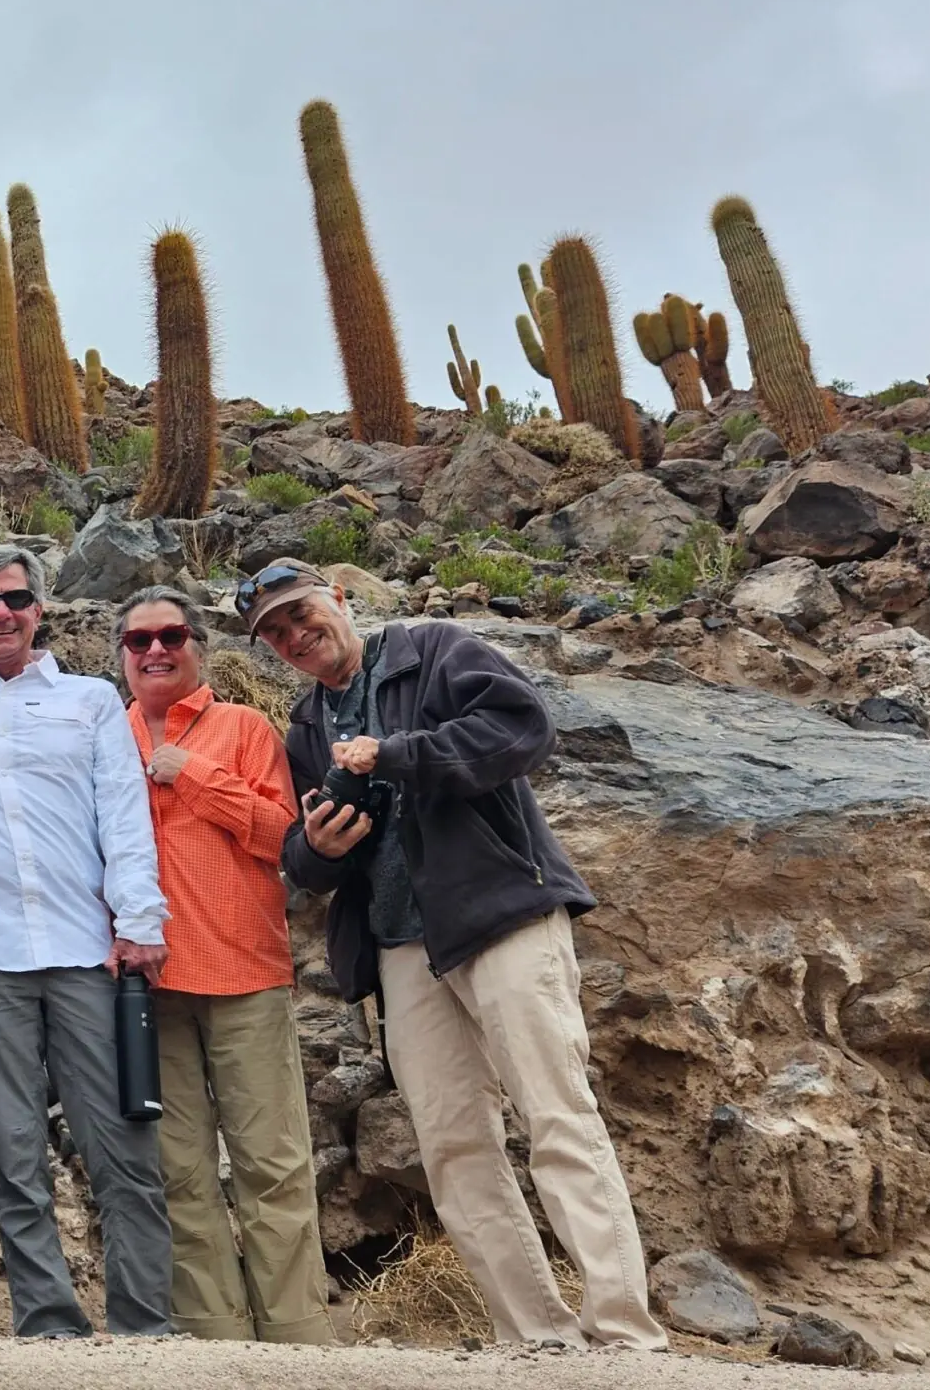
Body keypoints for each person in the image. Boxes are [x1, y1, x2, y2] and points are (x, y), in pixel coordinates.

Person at [245, 559, 666, 1352]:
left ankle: (623, 1336)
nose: (293, 635)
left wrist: (395, 754)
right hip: (401, 945)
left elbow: (522, 727)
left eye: (300, 613)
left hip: (500, 913)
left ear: (339, 598)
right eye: (274, 632)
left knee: (555, 1113)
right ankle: (535, 1337)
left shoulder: (431, 650)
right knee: (451, 1143)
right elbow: (301, 856)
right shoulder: (304, 727)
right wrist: (319, 848)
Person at [0, 544, 172, 1341]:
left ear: (39, 610)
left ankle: (143, 1327)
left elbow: (122, 813)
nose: (1, 613)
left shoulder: (91, 701)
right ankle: (48, 1323)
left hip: (86, 948)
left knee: (121, 1144)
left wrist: (140, 921)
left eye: (16, 599)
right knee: (14, 1147)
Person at [118, 586, 329, 1345]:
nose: (156, 651)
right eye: (139, 641)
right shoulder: (104, 736)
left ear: (198, 647)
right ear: (122, 657)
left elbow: (284, 837)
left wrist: (192, 775)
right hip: (147, 986)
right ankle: (215, 1344)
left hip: (245, 974)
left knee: (272, 1163)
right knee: (177, 1172)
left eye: (172, 636)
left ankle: (299, 1341)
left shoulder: (242, 727)